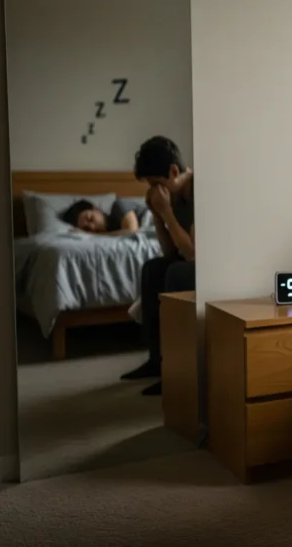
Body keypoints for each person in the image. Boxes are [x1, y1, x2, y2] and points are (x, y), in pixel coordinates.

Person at [120, 135, 195, 396]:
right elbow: (170, 252)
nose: (154, 190)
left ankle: (177, 369)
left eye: (156, 183)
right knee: (153, 268)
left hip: (212, 265)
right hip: (187, 261)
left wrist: (167, 213)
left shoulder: (198, 189)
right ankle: (157, 361)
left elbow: (192, 253)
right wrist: (156, 214)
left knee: (176, 272)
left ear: (173, 172)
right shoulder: (171, 194)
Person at [62, 198, 146, 235]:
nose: (92, 227)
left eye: (90, 219)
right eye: (87, 229)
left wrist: (94, 235)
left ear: (96, 209)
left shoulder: (118, 206)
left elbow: (131, 232)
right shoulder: (113, 232)